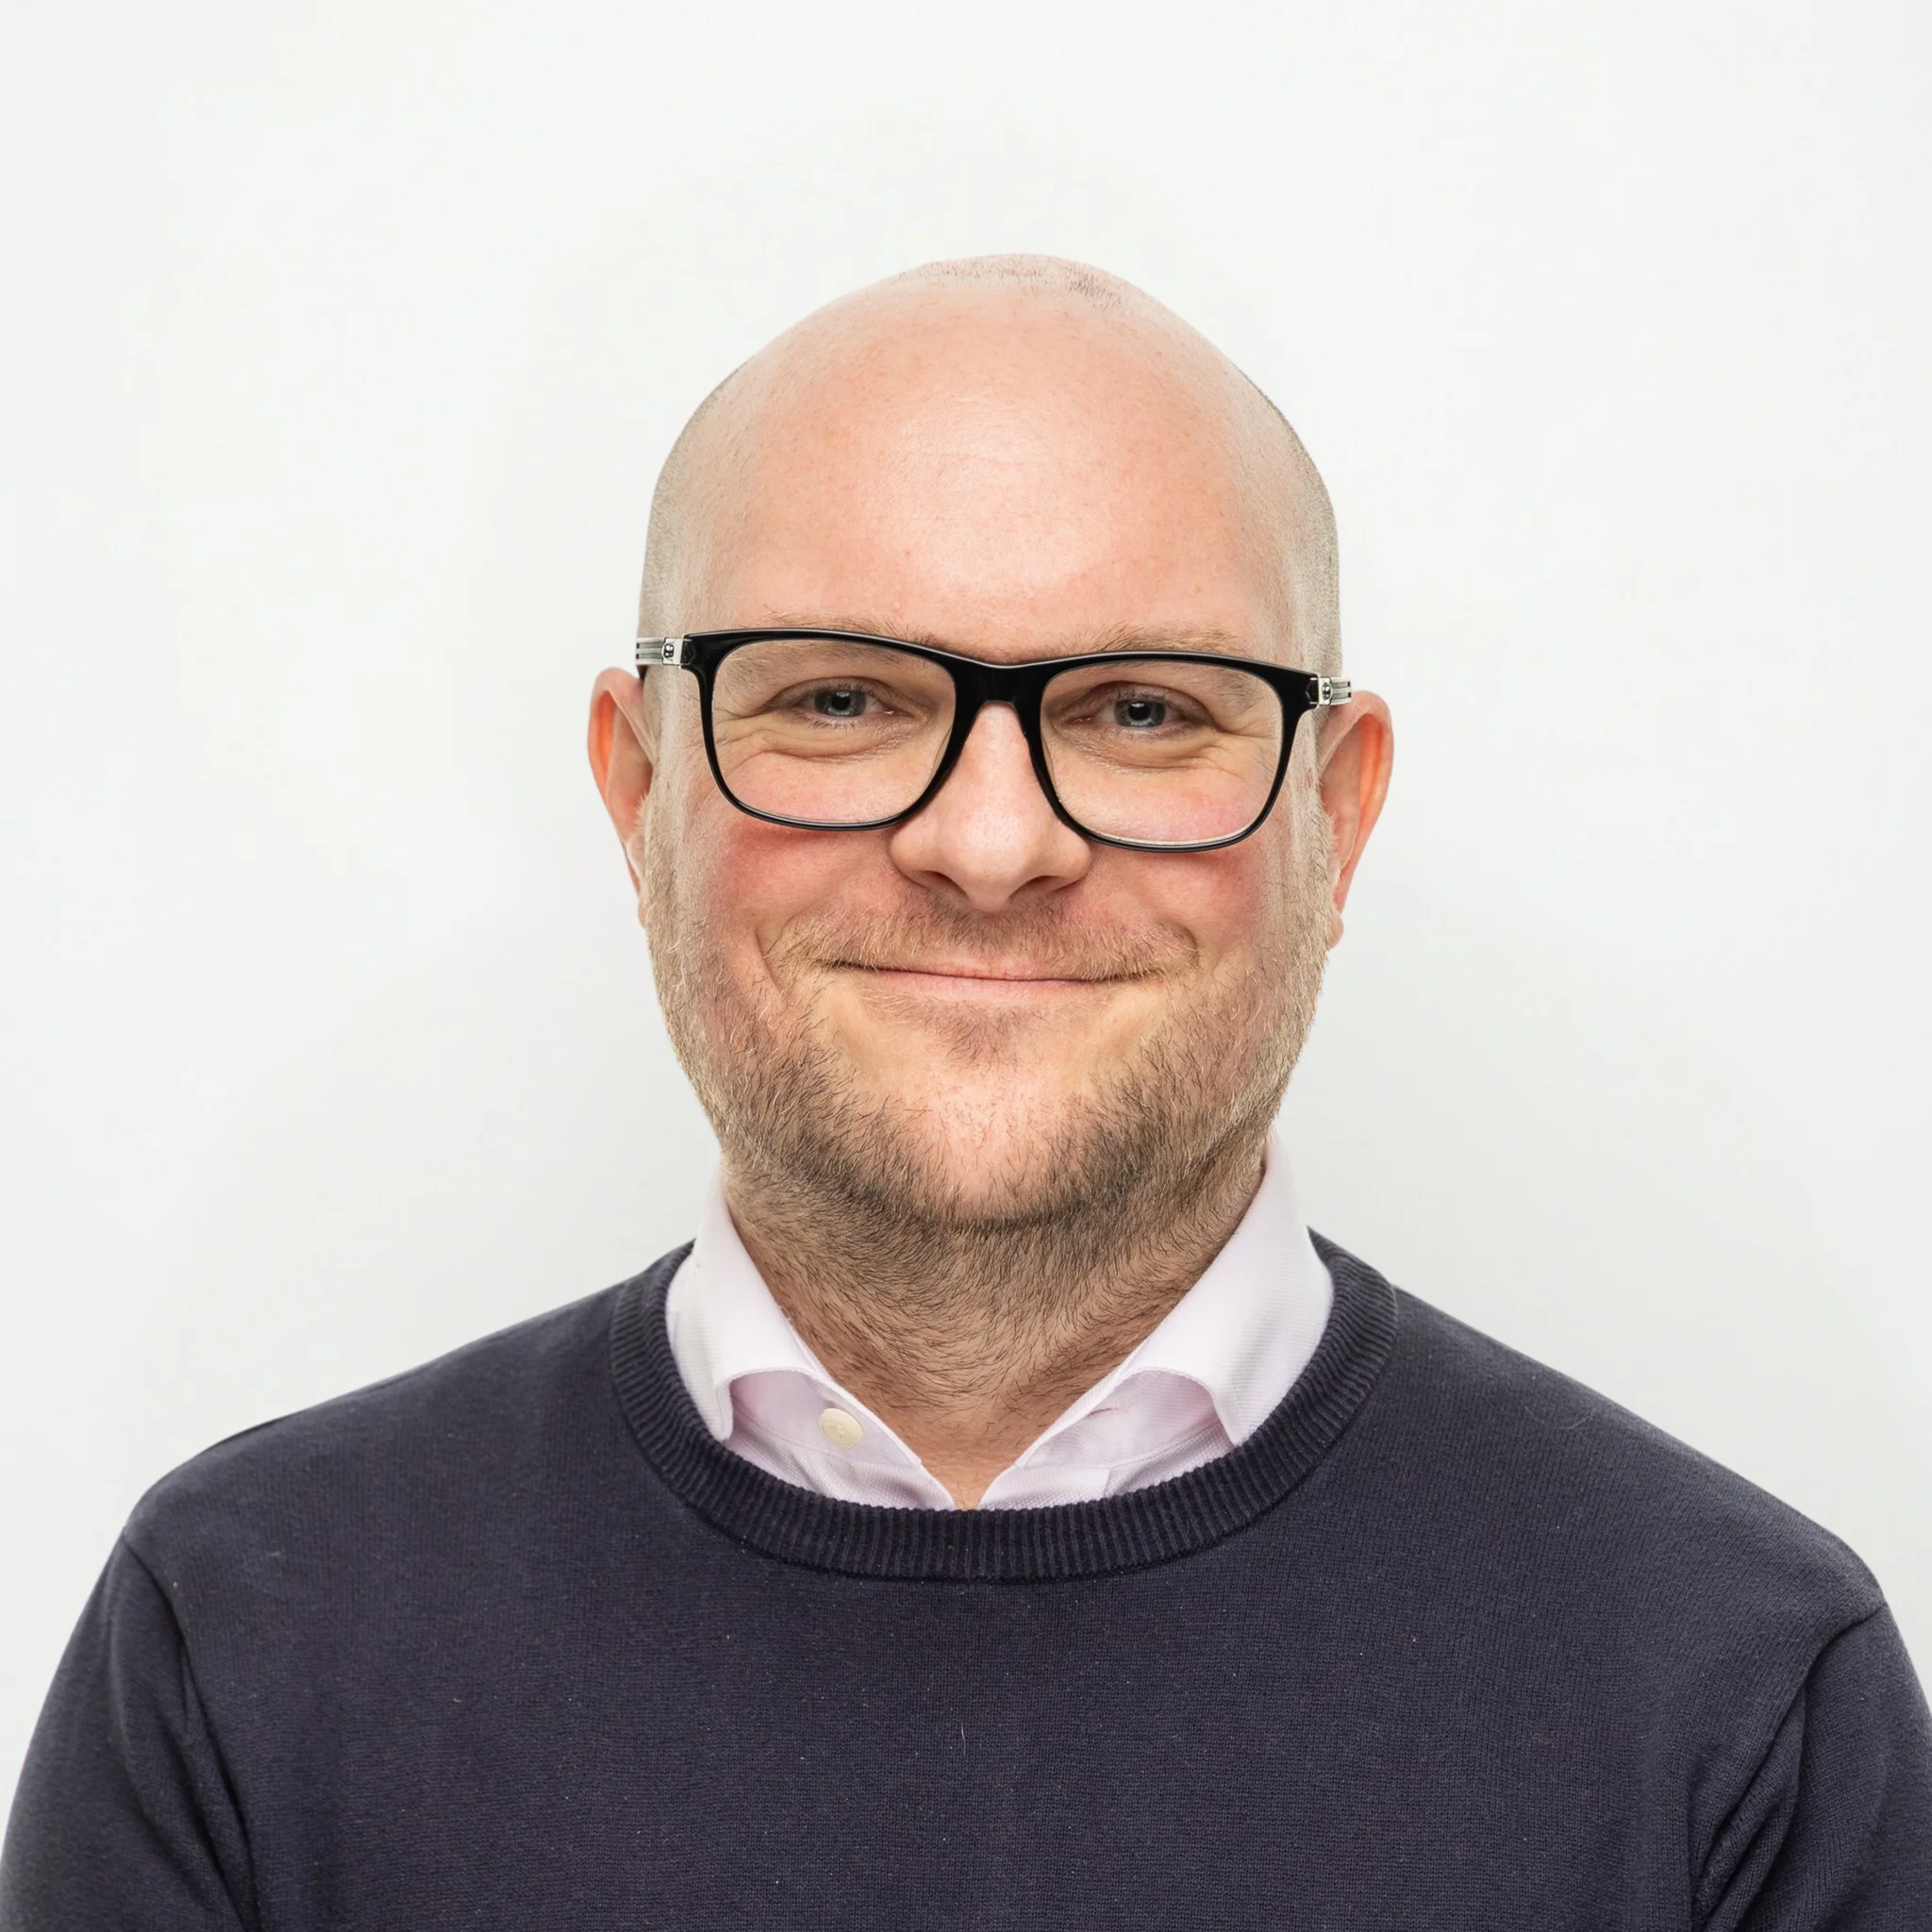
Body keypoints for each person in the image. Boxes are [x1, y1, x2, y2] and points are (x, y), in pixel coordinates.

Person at [4, 255, 1927, 1928]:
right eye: (839, 699)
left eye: (1144, 709)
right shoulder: (241, 1657)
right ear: (639, 789)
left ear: (1333, 820)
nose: (992, 844)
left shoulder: (1739, 1709)